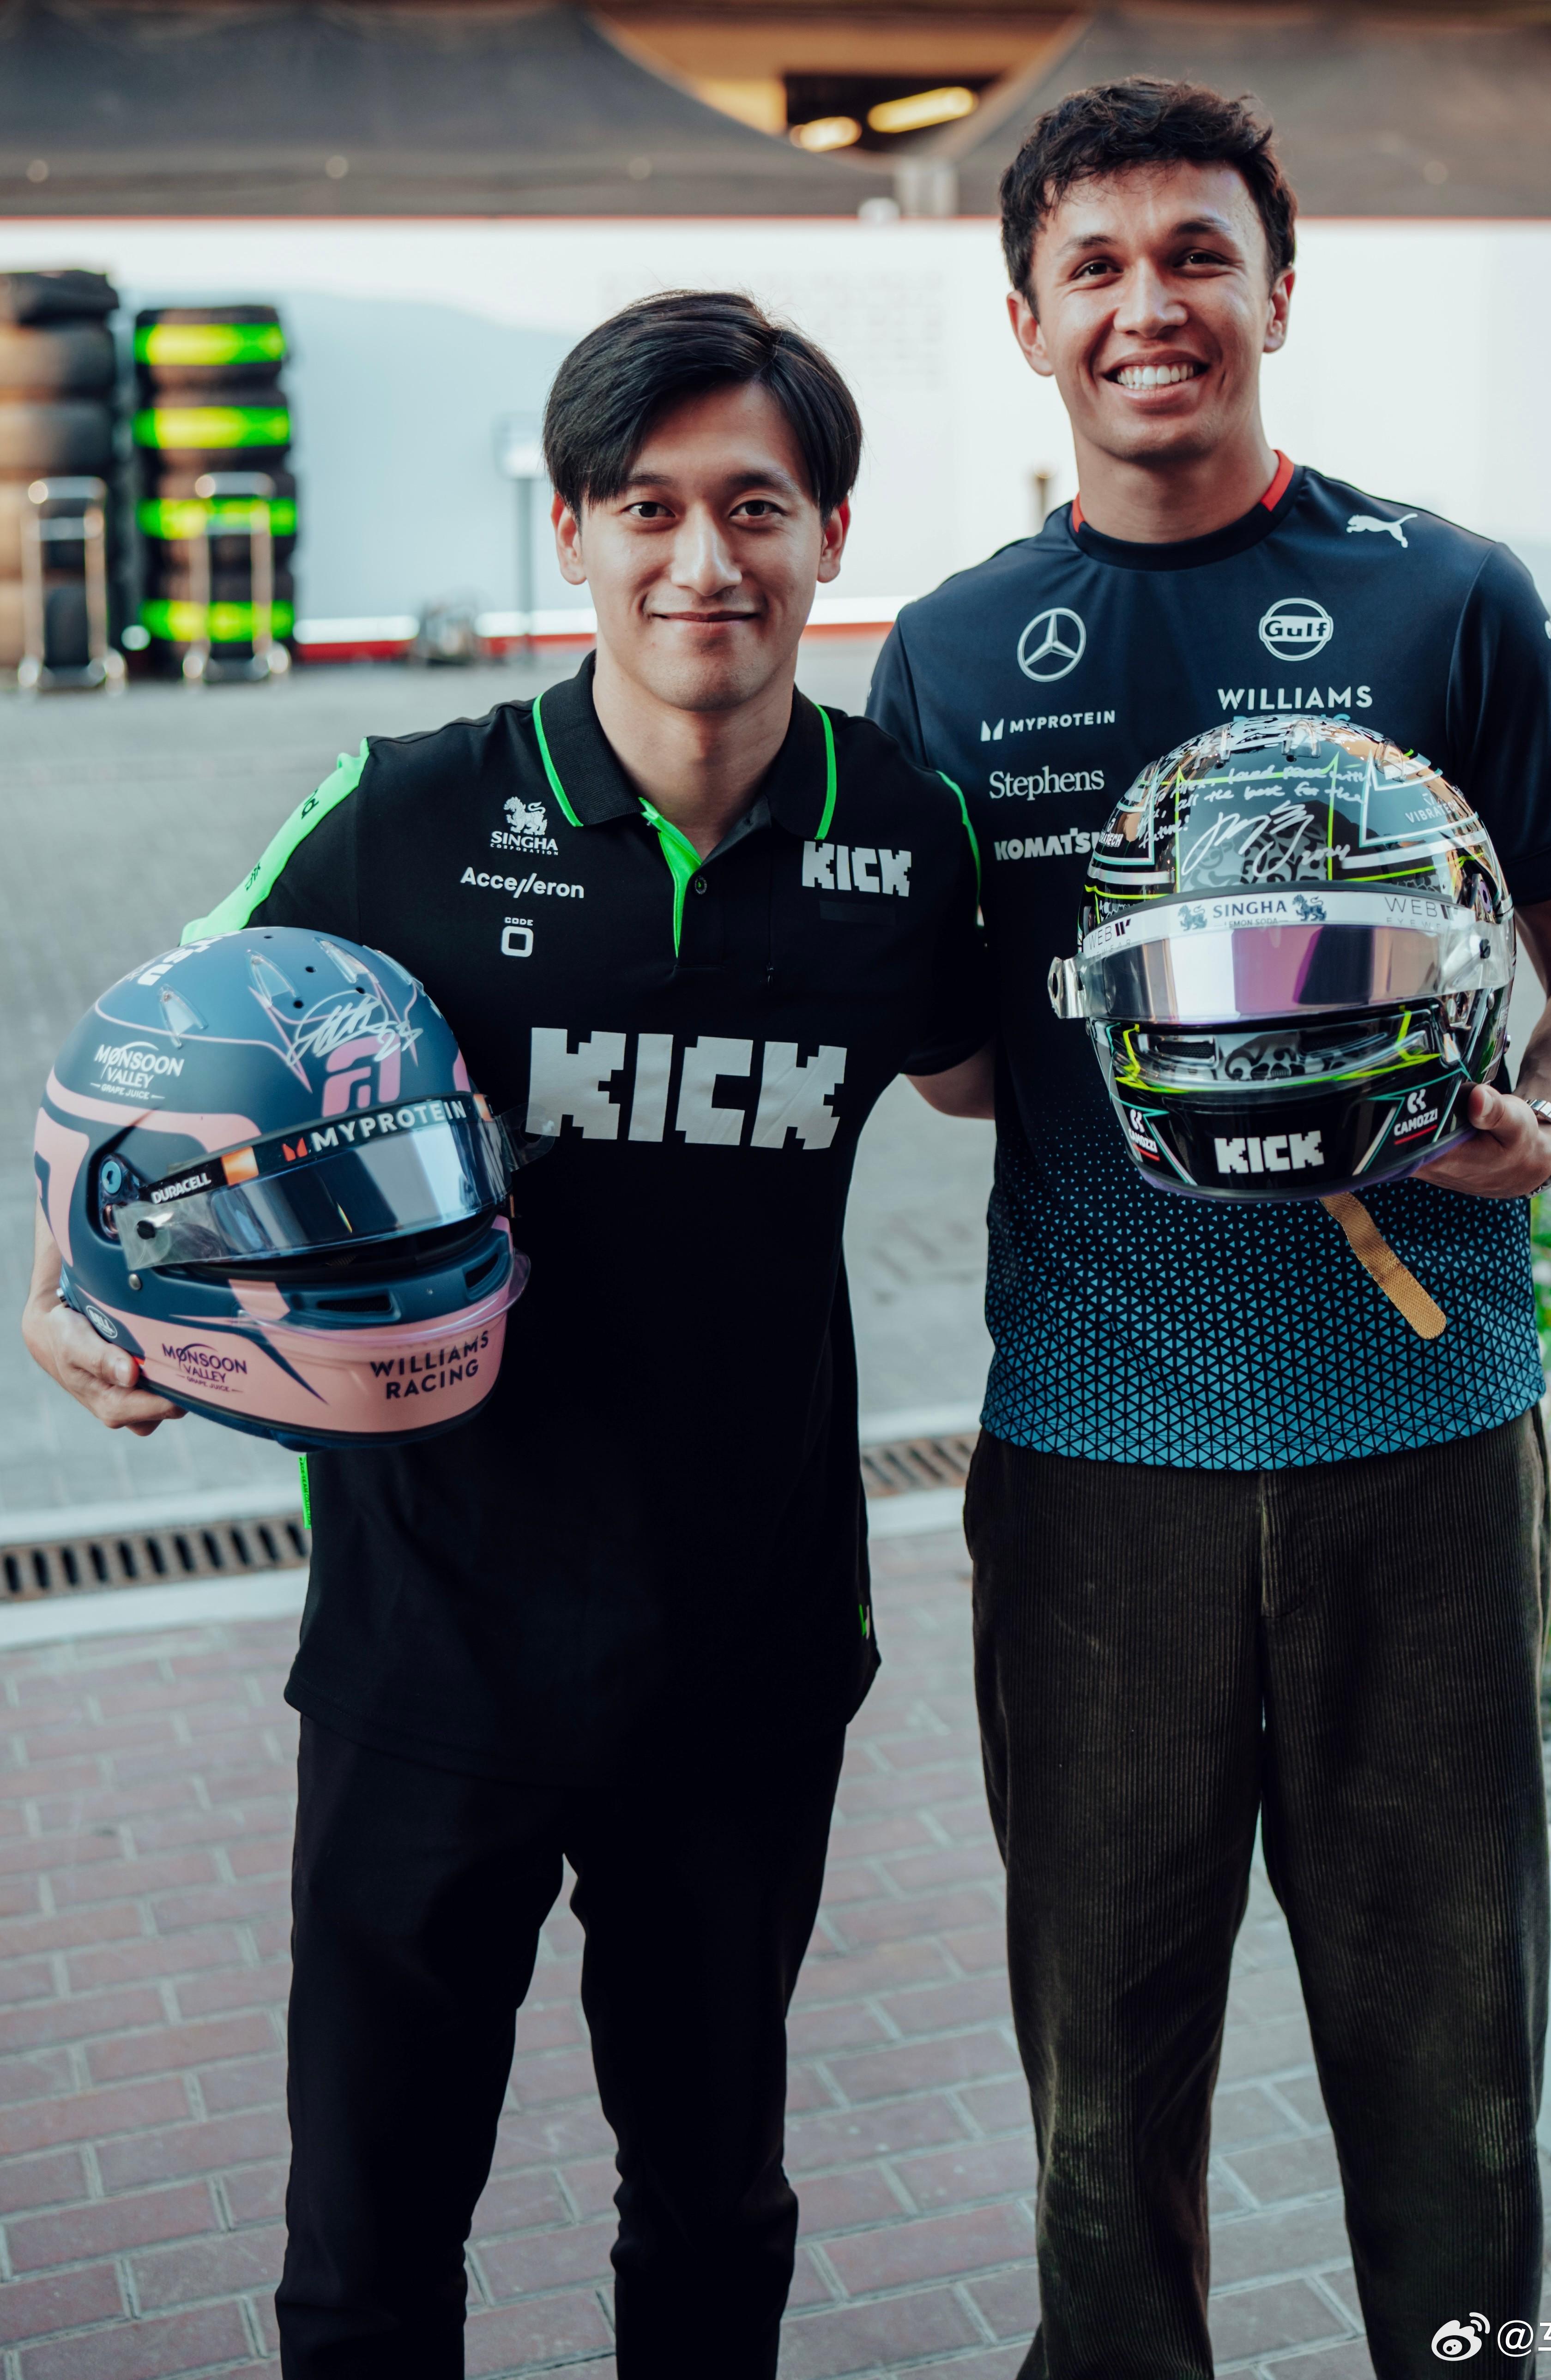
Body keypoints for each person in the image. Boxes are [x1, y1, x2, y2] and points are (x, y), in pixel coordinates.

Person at [23, 290, 991, 2380]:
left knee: (714, 2208)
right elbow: (145, 1061)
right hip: (429, 1645)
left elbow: (992, 1071)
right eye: (647, 506)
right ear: (571, 531)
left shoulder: (907, 839)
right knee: (368, 2248)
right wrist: (66, 1285)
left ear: (830, 534)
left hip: (746, 1652)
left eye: (756, 506)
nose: (702, 559)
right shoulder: (405, 812)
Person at [868, 79, 1551, 2380]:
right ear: (1027, 323)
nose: (1152, 304)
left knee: (1451, 2067)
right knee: (1099, 2088)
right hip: (1092, 1454)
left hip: (1418, 1431)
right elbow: (953, 1073)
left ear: (1279, 294)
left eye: (1197, 254)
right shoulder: (949, 649)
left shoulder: (1447, 592)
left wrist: (1542, 1122)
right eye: (1096, 266)